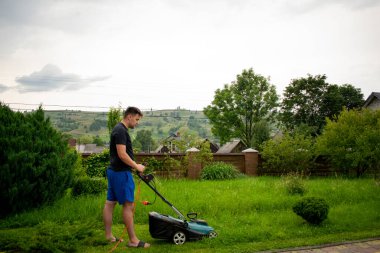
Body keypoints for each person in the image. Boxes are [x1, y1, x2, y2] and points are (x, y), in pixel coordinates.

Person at [103, 106, 150, 248]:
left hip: (113, 171)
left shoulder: (118, 129)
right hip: (121, 173)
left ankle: (108, 236)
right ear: (129, 116)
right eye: (136, 119)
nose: (137, 123)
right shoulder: (121, 130)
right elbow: (122, 154)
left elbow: (122, 155)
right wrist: (136, 166)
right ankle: (133, 240)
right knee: (128, 205)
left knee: (110, 203)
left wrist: (134, 165)